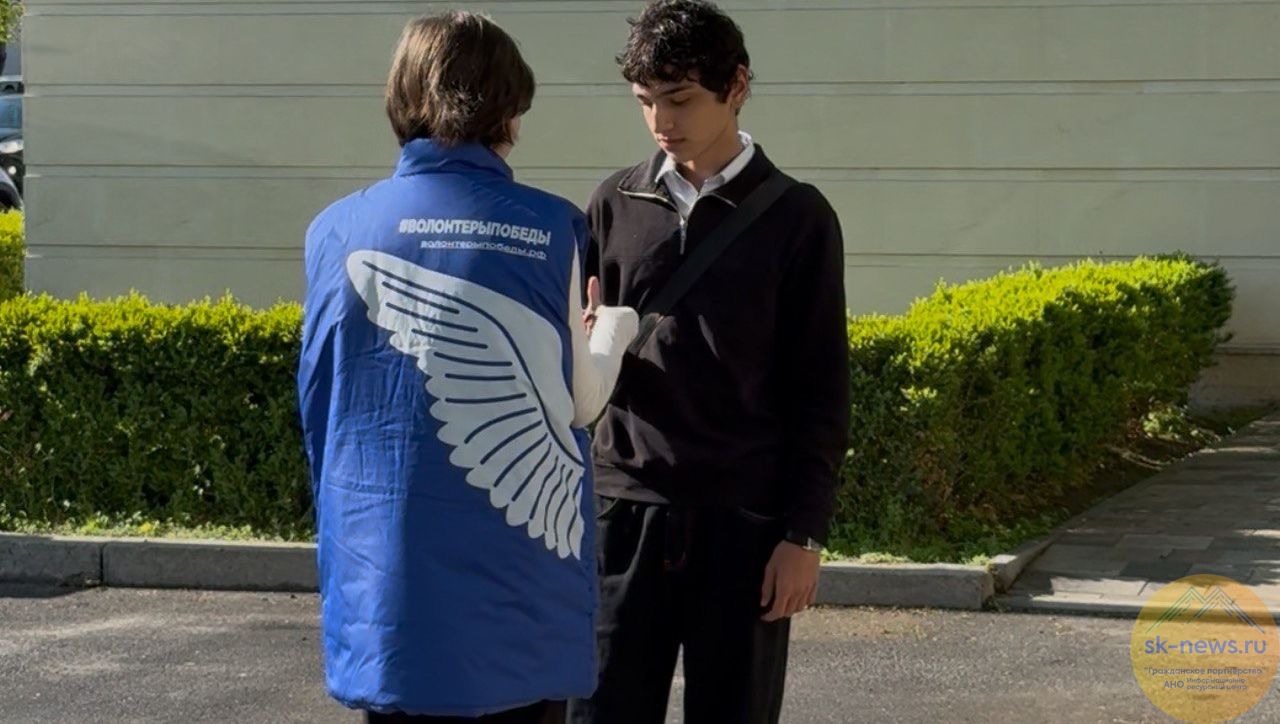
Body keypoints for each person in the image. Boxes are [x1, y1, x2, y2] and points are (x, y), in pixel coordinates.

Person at [297, 12, 638, 723]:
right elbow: (579, 402)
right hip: (518, 589)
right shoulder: (552, 228)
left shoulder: (333, 229)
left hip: (386, 578)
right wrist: (614, 329)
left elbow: (325, 400)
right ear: (508, 109)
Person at [566, 2, 850, 723]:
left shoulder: (799, 218)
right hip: (621, 509)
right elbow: (577, 369)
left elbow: (820, 391)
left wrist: (803, 534)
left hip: (743, 522)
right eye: (646, 100)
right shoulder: (612, 203)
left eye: (681, 98)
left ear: (738, 86)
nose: (662, 120)